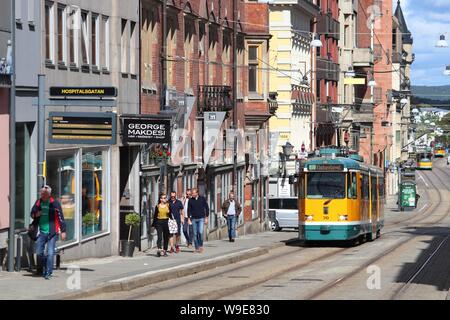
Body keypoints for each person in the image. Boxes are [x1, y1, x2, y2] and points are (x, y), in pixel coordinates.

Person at [30, 185, 66, 279]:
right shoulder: (38, 202)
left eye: (44, 193)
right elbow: (32, 213)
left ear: (49, 194)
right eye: (41, 193)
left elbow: (61, 217)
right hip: (41, 232)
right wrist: (35, 214)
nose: (42, 194)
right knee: (38, 252)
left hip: (52, 232)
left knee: (50, 253)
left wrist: (63, 231)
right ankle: (46, 265)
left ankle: (48, 272)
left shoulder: (54, 203)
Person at [187, 188, 209, 253]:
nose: (192, 194)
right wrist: (188, 219)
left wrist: (206, 217)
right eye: (192, 193)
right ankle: (197, 248)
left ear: (197, 193)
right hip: (193, 219)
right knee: (195, 234)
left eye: (193, 193)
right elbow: (189, 210)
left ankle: (201, 245)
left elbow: (207, 208)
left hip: (201, 218)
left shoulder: (202, 199)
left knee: (200, 232)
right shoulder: (190, 200)